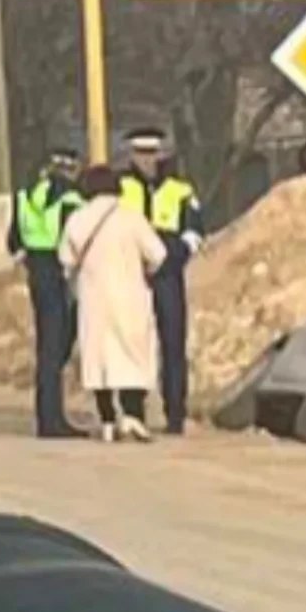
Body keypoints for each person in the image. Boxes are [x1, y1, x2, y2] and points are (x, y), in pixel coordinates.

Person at [59, 164, 167, 443]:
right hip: (130, 297)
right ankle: (132, 416)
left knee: (100, 360)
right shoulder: (132, 217)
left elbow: (66, 259)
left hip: (93, 299)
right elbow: (158, 254)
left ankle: (107, 419)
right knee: (132, 356)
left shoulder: (78, 219)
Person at [117, 127, 205, 435]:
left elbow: (194, 233)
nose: (146, 161)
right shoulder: (120, 187)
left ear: (161, 154)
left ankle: (175, 413)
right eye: (140, 154)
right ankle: (132, 409)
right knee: (132, 342)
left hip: (168, 275)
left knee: (172, 342)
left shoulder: (180, 190)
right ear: (131, 155)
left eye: (151, 153)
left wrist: (171, 259)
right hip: (131, 276)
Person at [8, 146, 84, 439]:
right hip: (60, 273)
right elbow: (73, 239)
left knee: (46, 346)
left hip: (36, 272)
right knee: (58, 344)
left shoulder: (25, 195)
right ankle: (54, 421)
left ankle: (47, 415)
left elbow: (13, 240)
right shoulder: (71, 198)